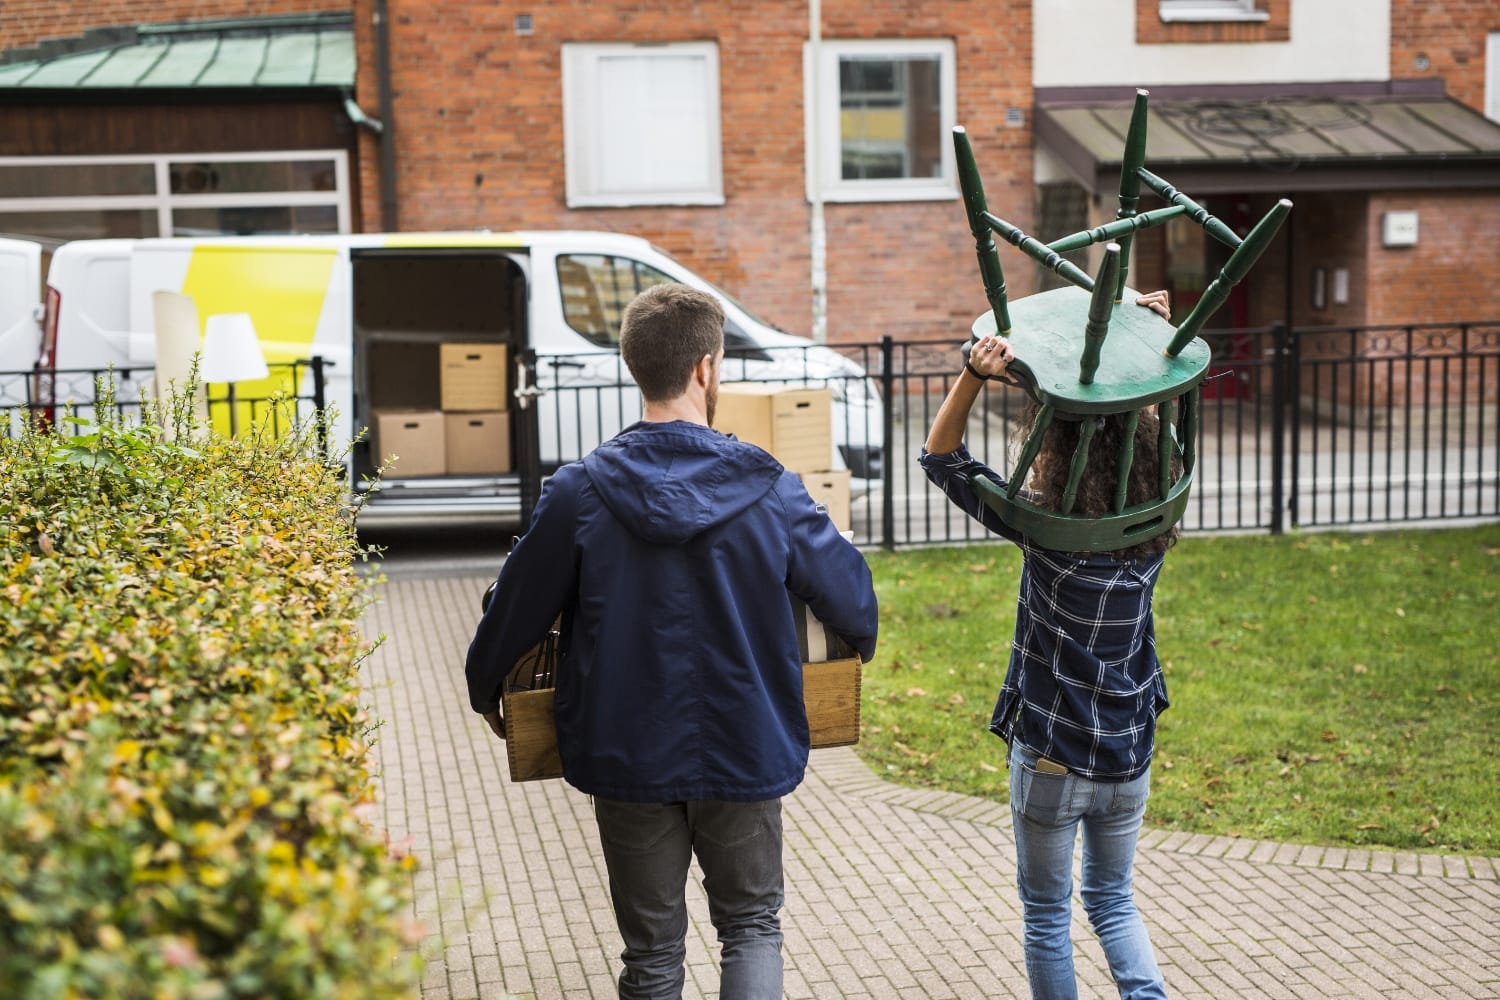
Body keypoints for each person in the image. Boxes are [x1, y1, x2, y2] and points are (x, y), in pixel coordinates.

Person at [465, 282, 879, 1000]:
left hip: (626, 749)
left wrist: (484, 687)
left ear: (635, 367)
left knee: (652, 954)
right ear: (707, 369)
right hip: (746, 740)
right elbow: (854, 604)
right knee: (751, 926)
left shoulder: (579, 492)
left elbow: (513, 615)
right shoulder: (773, 488)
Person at [919, 290, 1177, 1000]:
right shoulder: (1154, 526)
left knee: (1045, 914)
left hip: (1054, 759)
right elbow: (1137, 415)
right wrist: (1143, 331)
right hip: (1129, 753)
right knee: (1114, 899)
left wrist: (974, 375)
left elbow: (942, 459)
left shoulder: (1044, 531)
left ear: (1054, 449)